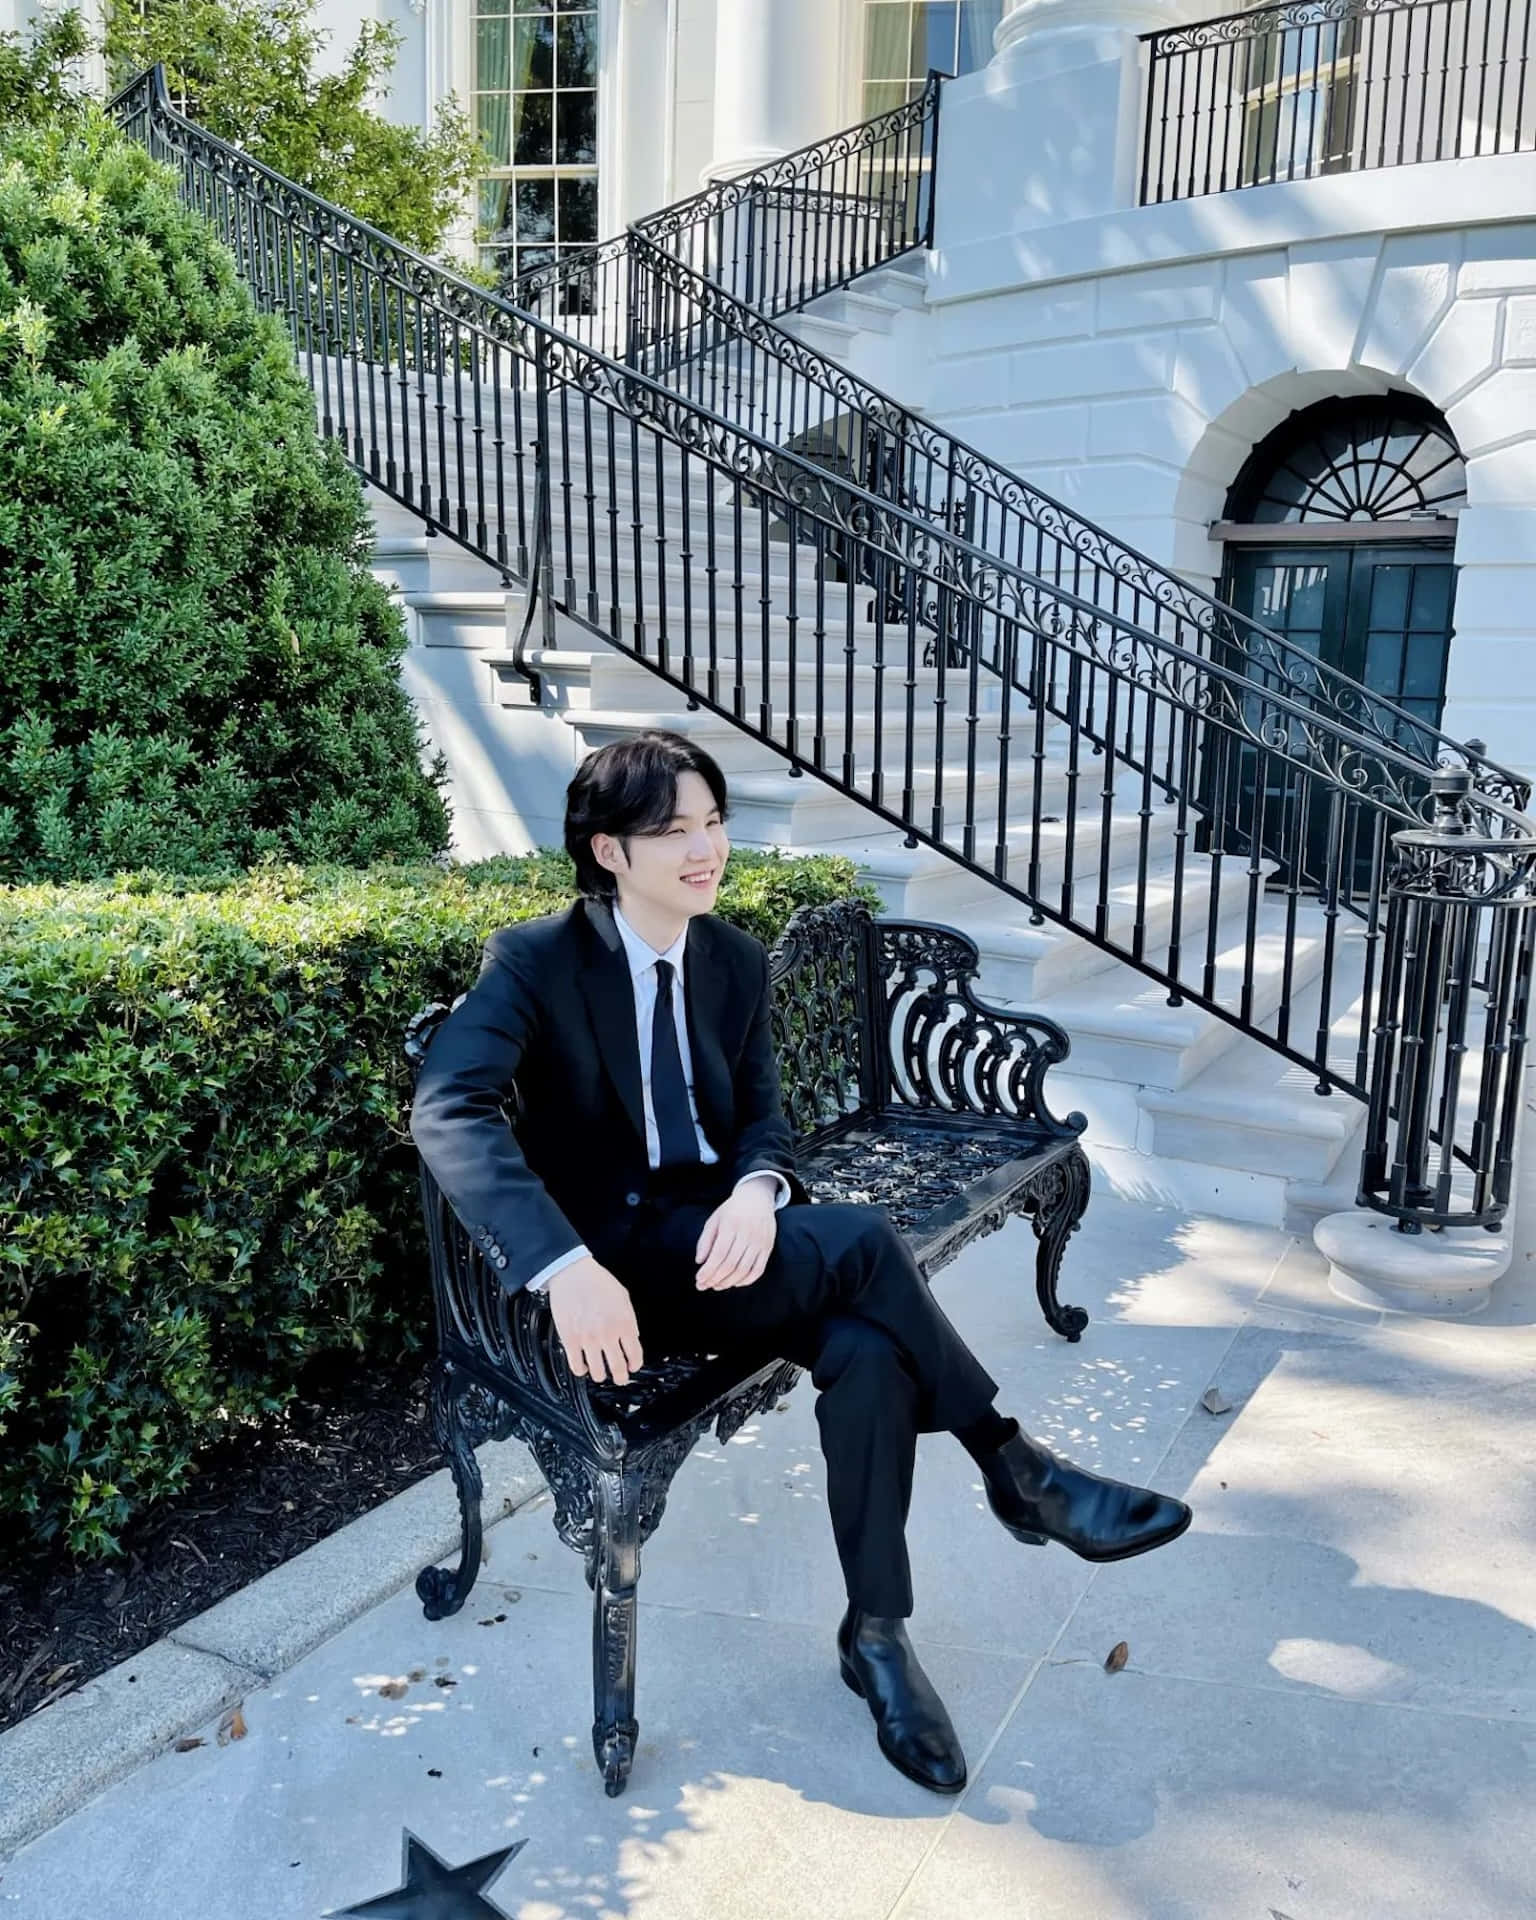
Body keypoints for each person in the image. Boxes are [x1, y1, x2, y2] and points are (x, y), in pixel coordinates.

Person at [409, 729, 1191, 1794]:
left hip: (729, 1251)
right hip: (620, 1284)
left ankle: (876, 1637)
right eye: (672, 829)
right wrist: (559, 1265)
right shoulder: (537, 960)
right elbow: (447, 1107)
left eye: (714, 822)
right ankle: (1017, 1468)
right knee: (865, 1241)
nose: (705, 848)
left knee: (869, 1351)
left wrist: (757, 1190)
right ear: (605, 851)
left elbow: (765, 1120)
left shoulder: (727, 959)